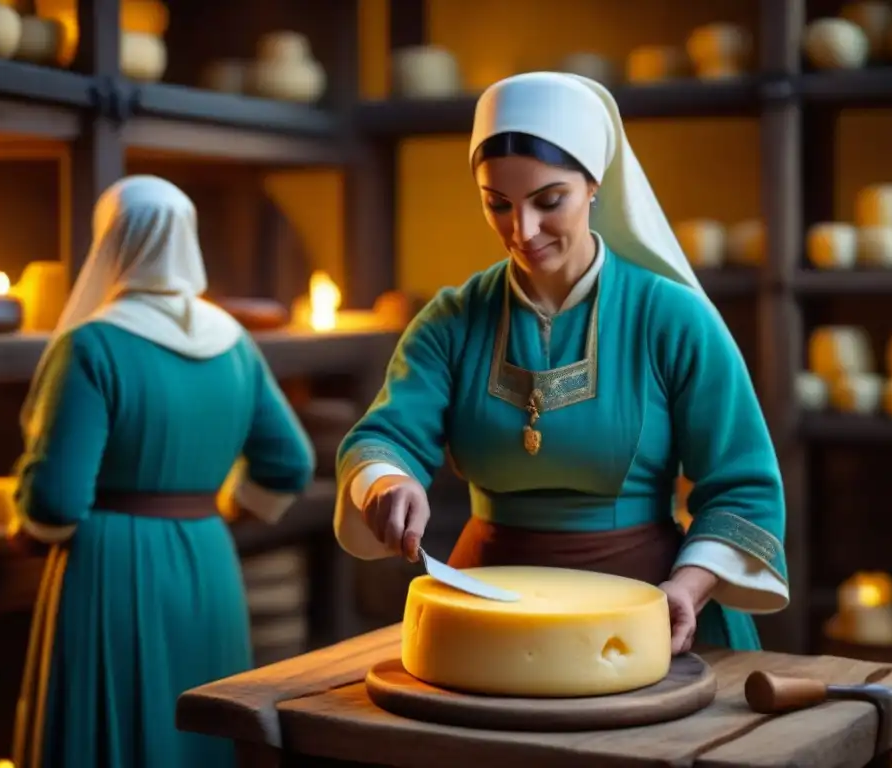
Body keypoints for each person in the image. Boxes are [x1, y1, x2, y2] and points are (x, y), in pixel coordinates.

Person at [333, 72, 787, 653]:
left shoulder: (671, 318)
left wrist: (689, 586)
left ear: (594, 183)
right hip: (488, 612)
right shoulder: (452, 321)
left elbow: (742, 485)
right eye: (498, 204)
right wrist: (387, 482)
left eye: (549, 201)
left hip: (645, 615)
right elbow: (384, 435)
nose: (522, 231)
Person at [10, 176, 316, 768]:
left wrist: (25, 520)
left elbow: (56, 501)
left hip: (111, 568)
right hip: (208, 560)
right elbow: (290, 462)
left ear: (112, 241)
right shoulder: (233, 341)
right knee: (202, 739)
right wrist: (227, 508)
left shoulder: (93, 346)